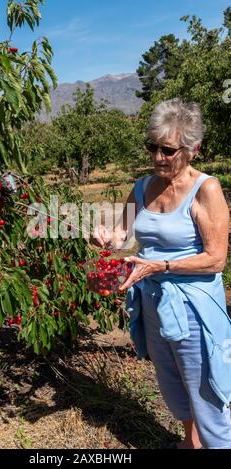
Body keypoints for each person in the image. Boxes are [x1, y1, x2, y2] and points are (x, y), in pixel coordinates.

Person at [93, 98, 231, 449]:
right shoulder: (141, 187)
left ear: (193, 149)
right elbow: (120, 237)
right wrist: (106, 239)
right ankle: (190, 442)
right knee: (172, 382)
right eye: (152, 147)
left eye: (167, 150)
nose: (157, 157)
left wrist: (162, 265)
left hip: (193, 309)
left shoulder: (206, 190)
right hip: (152, 302)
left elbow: (216, 260)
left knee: (207, 391)